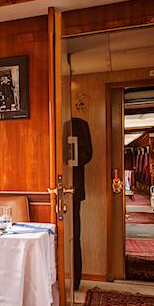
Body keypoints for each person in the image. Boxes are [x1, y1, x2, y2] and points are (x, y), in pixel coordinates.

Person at [70, 117, 92, 292]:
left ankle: (75, 281)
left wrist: (64, 157)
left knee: (73, 237)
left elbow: (86, 154)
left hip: (72, 190)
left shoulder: (78, 124)